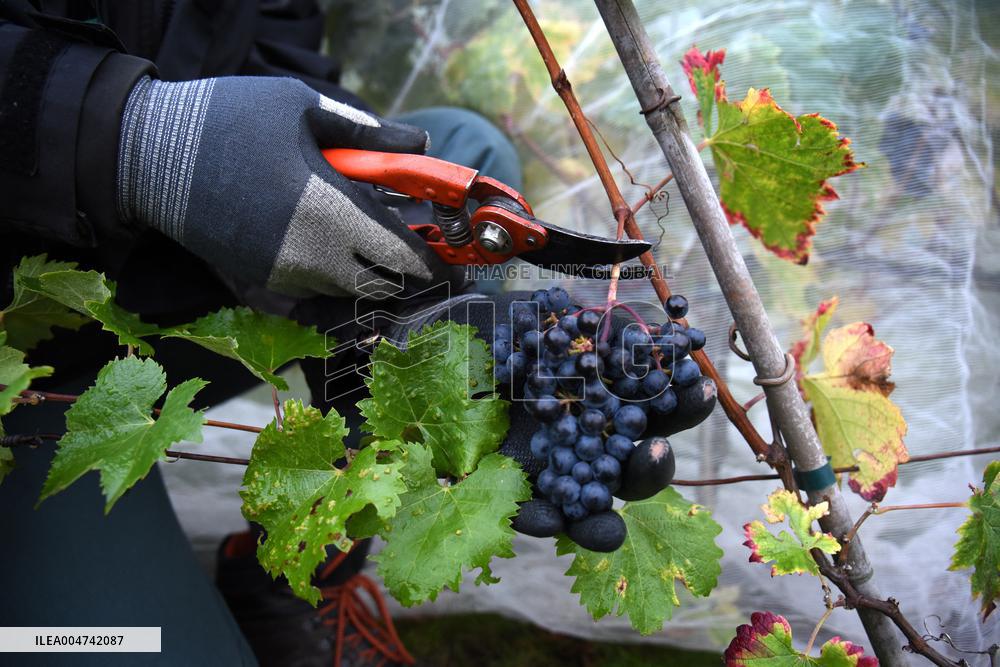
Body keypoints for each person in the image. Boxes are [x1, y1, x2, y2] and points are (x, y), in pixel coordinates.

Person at [0, 2, 681, 665]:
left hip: (170, 276)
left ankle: (289, 577)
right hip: (26, 369)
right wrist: (129, 136)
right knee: (107, 645)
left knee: (465, 167)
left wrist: (332, 251)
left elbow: (275, 60)